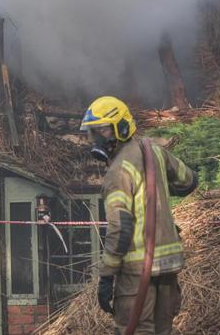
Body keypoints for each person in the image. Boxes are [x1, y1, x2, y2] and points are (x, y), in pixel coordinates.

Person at [80, 96, 197, 335]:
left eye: (102, 130)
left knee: (135, 330)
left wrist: (106, 276)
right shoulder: (155, 151)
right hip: (167, 266)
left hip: (136, 269)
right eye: (94, 132)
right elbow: (189, 181)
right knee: (163, 330)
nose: (97, 139)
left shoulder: (117, 173)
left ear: (122, 128)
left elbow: (120, 227)